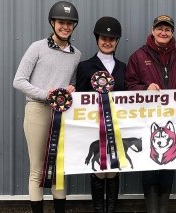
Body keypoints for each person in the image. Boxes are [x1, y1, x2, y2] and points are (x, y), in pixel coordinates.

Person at [13, 1, 81, 213]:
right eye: (61, 22)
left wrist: (72, 89)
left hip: (62, 114)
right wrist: (47, 95)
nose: (65, 27)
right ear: (53, 23)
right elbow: (19, 80)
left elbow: (73, 83)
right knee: (38, 168)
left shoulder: (76, 54)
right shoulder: (37, 47)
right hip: (38, 111)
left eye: (70, 23)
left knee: (59, 168)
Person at [125, 15, 176, 213]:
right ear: (153, 31)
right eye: (160, 28)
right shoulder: (138, 56)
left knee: (169, 166)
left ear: (172, 33)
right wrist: (144, 88)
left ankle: (164, 208)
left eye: (167, 29)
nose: (163, 32)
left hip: (173, 121)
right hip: (146, 121)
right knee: (149, 166)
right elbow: (128, 86)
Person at [76, 16, 125, 213]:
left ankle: (111, 209)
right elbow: (80, 98)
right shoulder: (85, 66)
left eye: (112, 39)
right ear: (97, 39)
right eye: (104, 38)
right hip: (93, 126)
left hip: (117, 125)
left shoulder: (123, 67)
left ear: (117, 42)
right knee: (98, 168)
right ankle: (98, 209)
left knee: (113, 169)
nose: (107, 42)